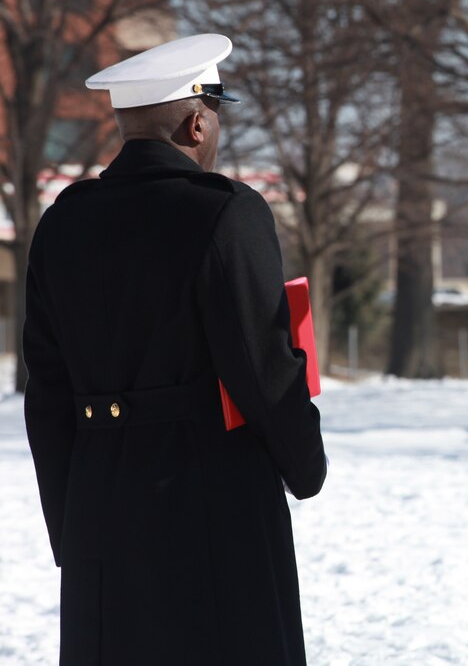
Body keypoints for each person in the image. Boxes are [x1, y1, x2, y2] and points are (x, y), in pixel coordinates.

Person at [23, 34, 327, 665]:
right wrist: (306, 467)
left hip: (100, 507)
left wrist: (73, 524)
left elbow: (46, 392)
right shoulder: (224, 212)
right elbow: (263, 364)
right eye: (215, 112)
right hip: (212, 498)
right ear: (195, 122)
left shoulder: (63, 223)